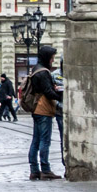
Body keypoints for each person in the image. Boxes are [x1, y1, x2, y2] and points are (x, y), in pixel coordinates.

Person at [27, 44, 63, 180]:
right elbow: (48, 92)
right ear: (47, 57)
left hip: (36, 108)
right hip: (44, 109)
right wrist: (60, 95)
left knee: (36, 140)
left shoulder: (36, 69)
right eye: (52, 57)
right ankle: (45, 169)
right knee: (44, 140)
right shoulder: (43, 72)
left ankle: (34, 170)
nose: (52, 60)